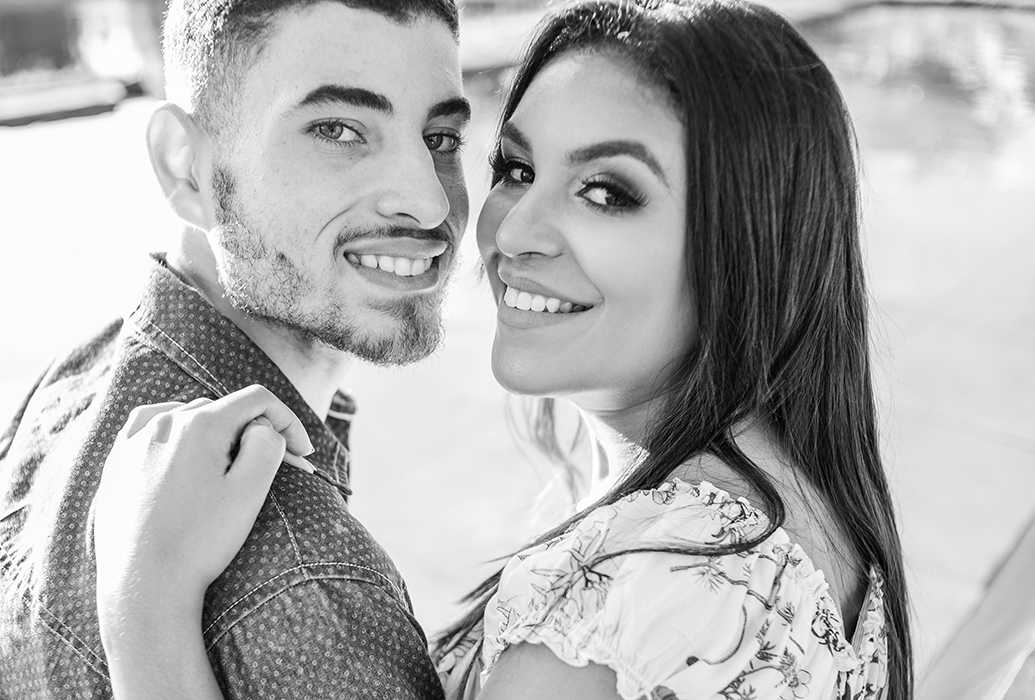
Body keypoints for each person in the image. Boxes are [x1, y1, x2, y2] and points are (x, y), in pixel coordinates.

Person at [91, 0, 914, 699]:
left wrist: (144, 602)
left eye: (606, 192)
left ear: (751, 242)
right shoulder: (803, 508)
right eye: (517, 169)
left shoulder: (623, 617)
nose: (512, 231)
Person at [0, 1, 472, 698]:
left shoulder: (63, 395)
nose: (429, 203)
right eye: (338, 130)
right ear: (186, 166)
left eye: (441, 137)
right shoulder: (303, 582)